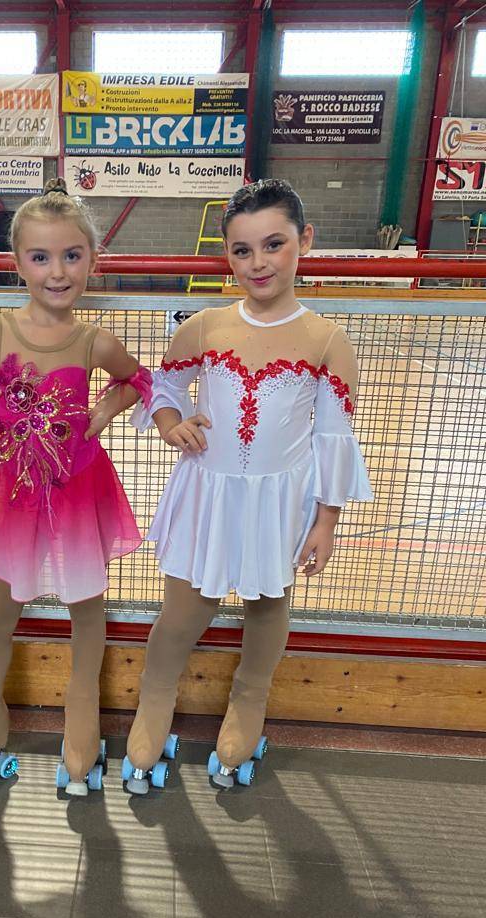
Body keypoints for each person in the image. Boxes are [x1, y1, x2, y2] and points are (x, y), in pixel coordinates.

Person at [123, 178, 373, 794]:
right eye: (242, 250)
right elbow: (163, 387)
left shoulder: (327, 340)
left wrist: (326, 520)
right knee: (182, 611)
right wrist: (171, 423)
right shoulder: (204, 326)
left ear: (304, 241)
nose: (258, 262)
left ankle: (248, 700)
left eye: (273, 244)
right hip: (207, 493)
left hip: (278, 500)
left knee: (268, 606)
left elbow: (333, 436)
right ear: (227, 256)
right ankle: (155, 698)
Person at [0, 178, 151, 798]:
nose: (57, 272)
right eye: (40, 257)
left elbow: (139, 379)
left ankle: (82, 720)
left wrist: (104, 411)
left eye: (71, 256)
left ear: (92, 260)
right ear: (18, 262)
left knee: (87, 609)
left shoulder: (94, 341)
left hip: (78, 492)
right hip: (15, 496)